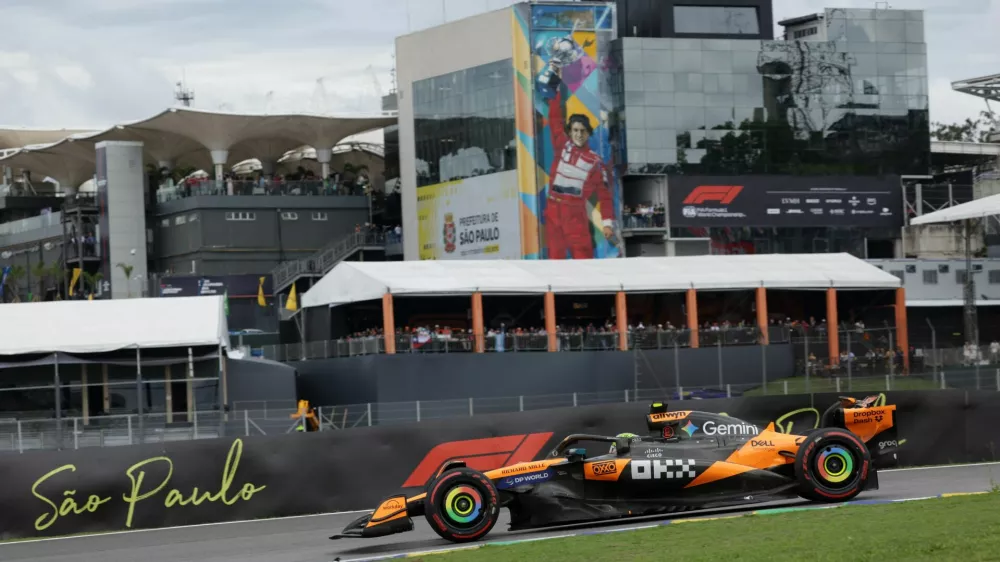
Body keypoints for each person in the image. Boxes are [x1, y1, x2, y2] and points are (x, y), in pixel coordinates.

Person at [542, 61, 616, 259]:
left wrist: (607, 224)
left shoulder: (595, 162)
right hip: (553, 209)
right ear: (570, 132)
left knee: (583, 260)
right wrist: (556, 83)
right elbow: (556, 117)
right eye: (575, 130)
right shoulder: (561, 144)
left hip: (575, 213)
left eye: (583, 131)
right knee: (555, 260)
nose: (579, 134)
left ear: (588, 133)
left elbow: (605, 195)